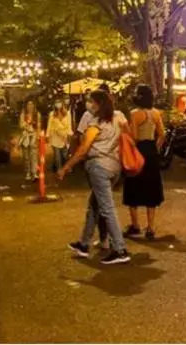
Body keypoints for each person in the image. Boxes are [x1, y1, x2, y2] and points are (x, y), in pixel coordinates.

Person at [59, 90, 130, 264]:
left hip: (99, 167)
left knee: (107, 208)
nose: (88, 105)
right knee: (94, 206)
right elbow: (129, 135)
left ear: (98, 104)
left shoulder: (95, 123)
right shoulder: (119, 116)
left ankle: (120, 249)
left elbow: (83, 150)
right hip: (115, 166)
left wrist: (66, 167)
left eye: (91, 102)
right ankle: (84, 244)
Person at [122, 84, 166, 240]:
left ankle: (135, 225)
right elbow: (162, 134)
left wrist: (124, 130)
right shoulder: (155, 113)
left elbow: (133, 136)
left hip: (138, 151)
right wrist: (156, 147)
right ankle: (151, 227)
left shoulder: (135, 114)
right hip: (151, 152)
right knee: (151, 188)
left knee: (133, 187)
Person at [47, 99, 73, 174]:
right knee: (57, 156)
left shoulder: (67, 114)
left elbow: (69, 125)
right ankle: (59, 170)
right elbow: (49, 125)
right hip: (55, 136)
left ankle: (66, 168)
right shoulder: (52, 114)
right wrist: (47, 135)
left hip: (64, 136)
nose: (58, 104)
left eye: (59, 103)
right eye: (56, 103)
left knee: (65, 155)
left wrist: (69, 134)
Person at [19, 100, 42, 182]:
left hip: (34, 135)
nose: (30, 106)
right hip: (25, 136)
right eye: (28, 104)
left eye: (31, 104)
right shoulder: (23, 114)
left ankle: (34, 173)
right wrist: (27, 123)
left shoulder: (37, 114)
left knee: (34, 156)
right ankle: (28, 172)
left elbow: (39, 126)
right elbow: (21, 125)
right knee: (26, 157)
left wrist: (38, 136)